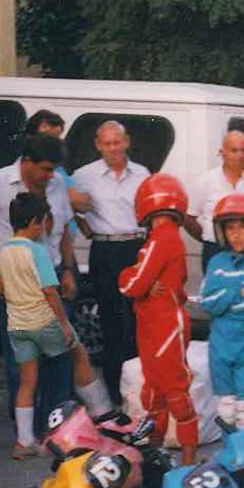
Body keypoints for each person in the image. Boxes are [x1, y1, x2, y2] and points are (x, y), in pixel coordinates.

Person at [0, 135, 76, 438]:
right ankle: (26, 431)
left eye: (53, 170)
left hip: (50, 275)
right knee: (21, 360)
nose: (50, 176)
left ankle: (56, 427)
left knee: (59, 356)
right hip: (12, 283)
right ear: (27, 162)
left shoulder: (57, 184)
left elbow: (64, 229)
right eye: (46, 169)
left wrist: (68, 270)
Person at [0, 194, 113, 459]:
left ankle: (24, 441)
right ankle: (102, 413)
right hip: (44, 320)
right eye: (43, 222)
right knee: (78, 354)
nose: (45, 228)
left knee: (27, 381)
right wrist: (64, 324)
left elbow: (3, 286)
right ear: (34, 222)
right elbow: (50, 291)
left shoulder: (3, 252)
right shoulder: (37, 251)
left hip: (17, 325)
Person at [119, 174, 197, 465]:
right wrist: (145, 281)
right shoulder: (168, 236)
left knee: (172, 391)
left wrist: (127, 275)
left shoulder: (161, 237)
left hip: (163, 325)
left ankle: (187, 462)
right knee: (155, 393)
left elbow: (132, 285)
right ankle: (158, 457)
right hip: (156, 323)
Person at [71, 120, 150, 400]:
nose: (113, 148)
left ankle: (139, 389)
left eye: (117, 142)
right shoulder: (83, 176)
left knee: (137, 318)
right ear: (98, 145)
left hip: (136, 247)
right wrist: (86, 229)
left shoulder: (142, 174)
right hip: (104, 250)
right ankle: (116, 392)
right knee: (110, 320)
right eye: (107, 143)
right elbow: (71, 208)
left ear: (127, 142)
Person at [199, 193, 244, 429]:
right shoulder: (216, 262)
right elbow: (206, 303)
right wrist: (236, 291)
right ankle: (231, 452)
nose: (236, 234)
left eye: (243, 227)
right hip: (220, 345)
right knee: (226, 410)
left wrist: (223, 300)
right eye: (230, 228)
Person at [186, 131, 244, 272]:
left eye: (243, 150)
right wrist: (209, 235)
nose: (239, 155)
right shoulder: (204, 182)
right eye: (234, 150)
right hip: (214, 249)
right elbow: (189, 217)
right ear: (222, 153)